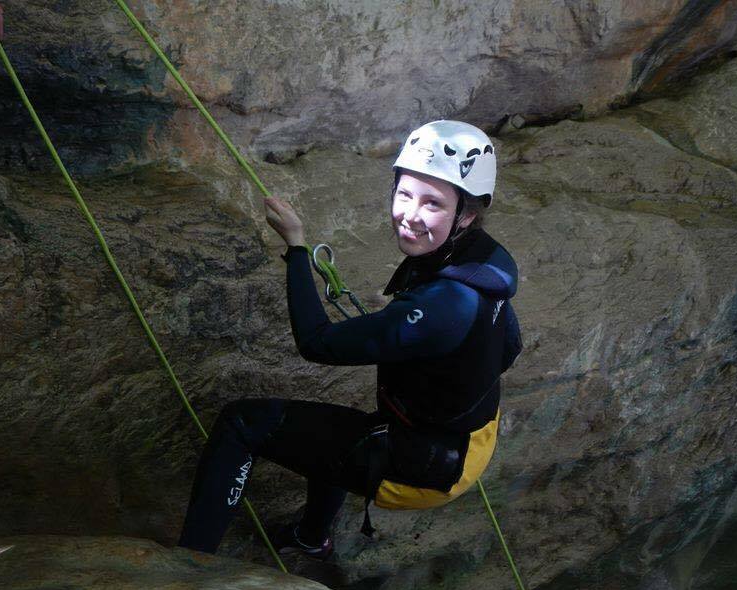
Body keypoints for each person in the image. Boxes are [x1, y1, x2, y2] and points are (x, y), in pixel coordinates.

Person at [178, 120, 522, 558]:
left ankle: (190, 563)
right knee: (333, 435)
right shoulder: (486, 262)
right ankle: (310, 538)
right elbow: (508, 345)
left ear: (467, 214)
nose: (409, 215)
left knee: (241, 423)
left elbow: (315, 342)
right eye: (404, 194)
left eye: (433, 203)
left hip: (424, 467)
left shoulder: (445, 305)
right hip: (468, 442)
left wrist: (297, 247)